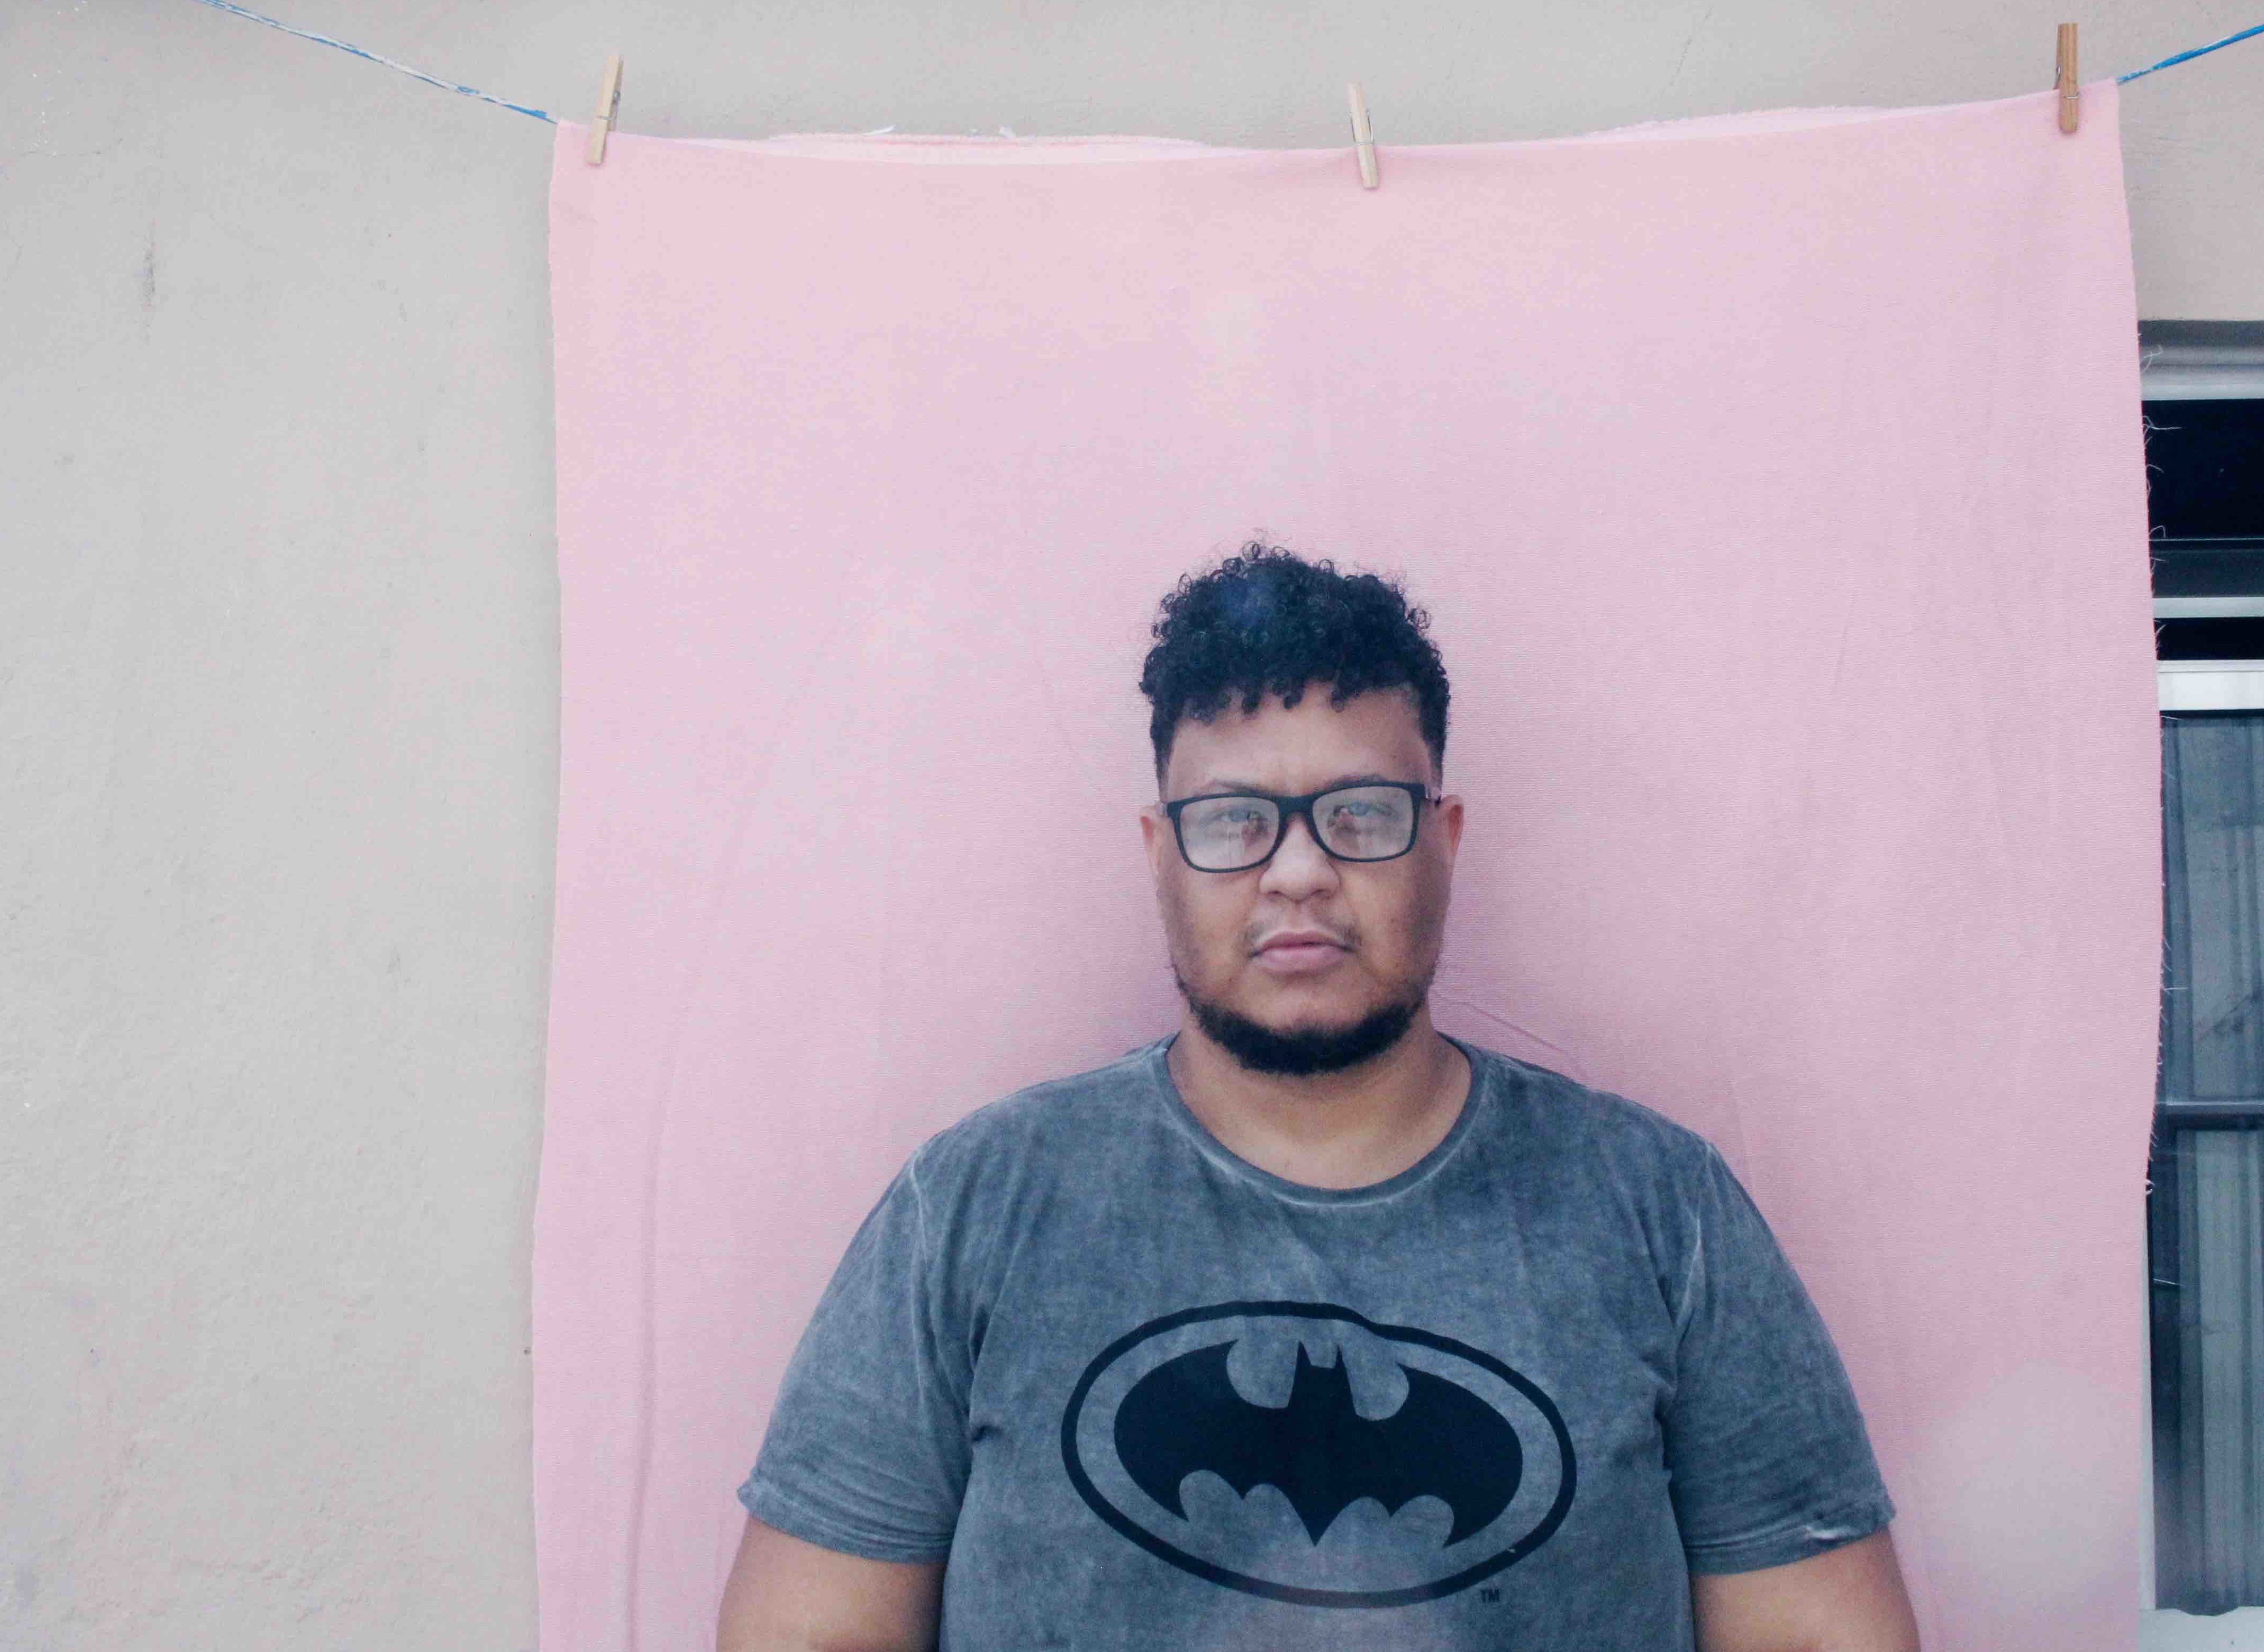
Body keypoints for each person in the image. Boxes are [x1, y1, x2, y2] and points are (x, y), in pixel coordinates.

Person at [718, 544, 1919, 1651]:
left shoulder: (1658, 1211)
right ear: (1160, 852)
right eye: (1233, 820)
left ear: (1443, 839)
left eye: (1360, 815)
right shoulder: (975, 1209)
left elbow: (1824, 1634)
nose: (1299, 872)